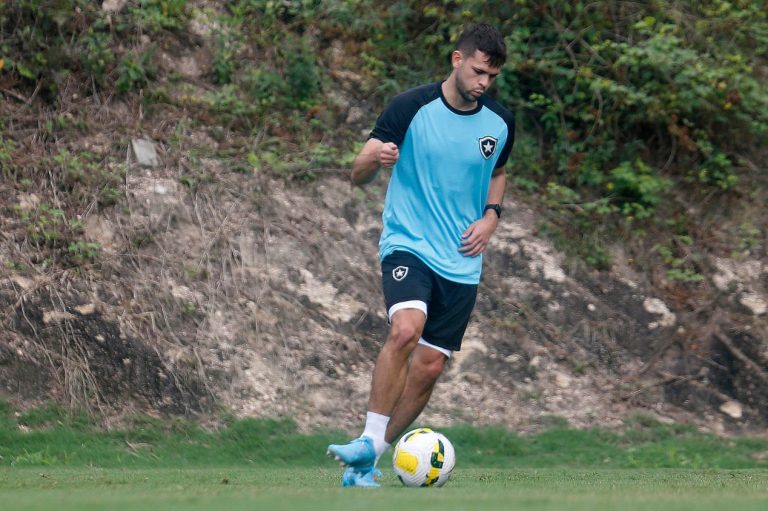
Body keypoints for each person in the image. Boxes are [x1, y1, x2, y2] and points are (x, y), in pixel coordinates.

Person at [327, 23, 515, 487]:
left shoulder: (501, 122)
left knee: (430, 367)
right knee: (405, 329)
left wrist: (491, 216)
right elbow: (357, 174)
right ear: (457, 60)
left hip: (462, 258)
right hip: (408, 242)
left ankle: (370, 454)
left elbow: (499, 172)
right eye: (477, 72)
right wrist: (375, 161)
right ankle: (370, 437)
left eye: (491, 76)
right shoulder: (410, 107)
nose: (483, 83)